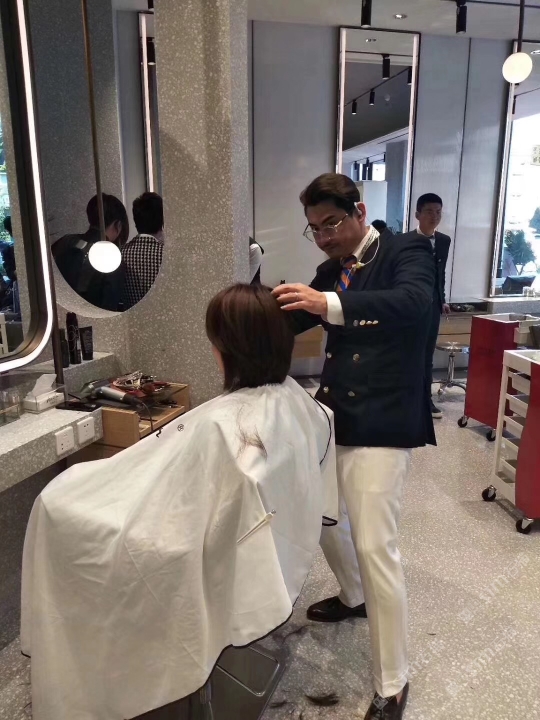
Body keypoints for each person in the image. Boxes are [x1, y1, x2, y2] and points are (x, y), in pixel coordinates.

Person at [21, 284, 338, 720]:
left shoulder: (224, 427)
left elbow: (178, 505)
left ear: (226, 349)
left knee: (54, 504)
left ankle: (88, 669)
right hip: (242, 541)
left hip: (190, 542)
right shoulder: (292, 400)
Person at [273, 173, 435, 720]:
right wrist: (248, 313)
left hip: (384, 419)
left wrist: (329, 303)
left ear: (359, 211)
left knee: (374, 545)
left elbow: (412, 302)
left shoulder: (407, 251)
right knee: (324, 519)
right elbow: (297, 314)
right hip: (335, 417)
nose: (323, 238)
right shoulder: (332, 270)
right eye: (315, 229)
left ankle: (392, 681)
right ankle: (353, 596)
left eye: (332, 224)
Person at [400, 194, 451, 419]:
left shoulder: (443, 241)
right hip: (408, 306)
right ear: (417, 214)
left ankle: (425, 401)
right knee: (407, 352)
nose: (434, 216)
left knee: (427, 355)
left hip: (432, 306)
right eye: (429, 211)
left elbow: (441, 274)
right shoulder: (403, 241)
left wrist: (443, 298)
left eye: (438, 212)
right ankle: (404, 399)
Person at [52, 193, 128, 312]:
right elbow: (108, 308)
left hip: (58, 314)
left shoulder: (65, 242)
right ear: (118, 225)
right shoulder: (111, 258)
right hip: (91, 319)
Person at [122, 192, 165, 309]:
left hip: (130, 318)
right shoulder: (166, 255)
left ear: (136, 222)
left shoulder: (121, 254)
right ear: (162, 220)